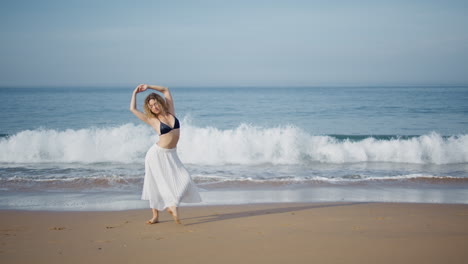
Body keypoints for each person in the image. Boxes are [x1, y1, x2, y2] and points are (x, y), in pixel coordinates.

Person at [130, 84, 202, 224]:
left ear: (160, 102)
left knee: (185, 178)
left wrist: (148, 86)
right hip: (156, 155)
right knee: (155, 184)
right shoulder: (152, 120)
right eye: (151, 106)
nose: (154, 107)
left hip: (172, 154)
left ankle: (171, 205)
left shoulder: (171, 111)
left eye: (156, 103)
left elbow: (165, 90)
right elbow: (132, 109)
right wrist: (135, 93)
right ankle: (159, 214)